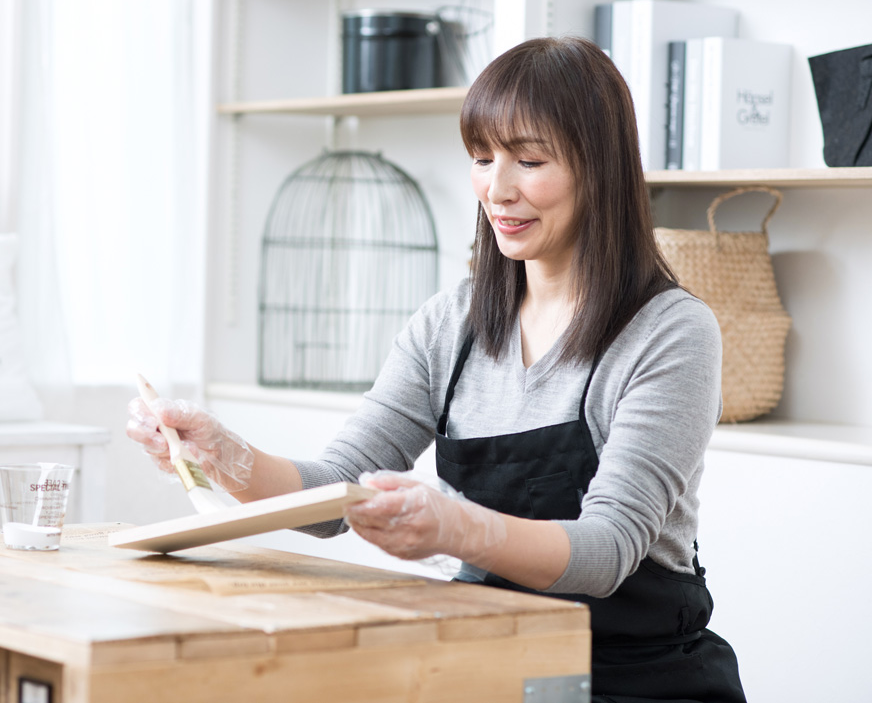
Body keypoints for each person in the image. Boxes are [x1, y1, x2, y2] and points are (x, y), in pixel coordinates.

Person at [126, 36, 746, 702]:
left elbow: (606, 550)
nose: (497, 188)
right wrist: (223, 455)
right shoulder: (449, 325)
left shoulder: (670, 332)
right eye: (482, 158)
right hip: (488, 655)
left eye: (529, 160)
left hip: (636, 675)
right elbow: (336, 490)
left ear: (601, 169)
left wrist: (457, 527)